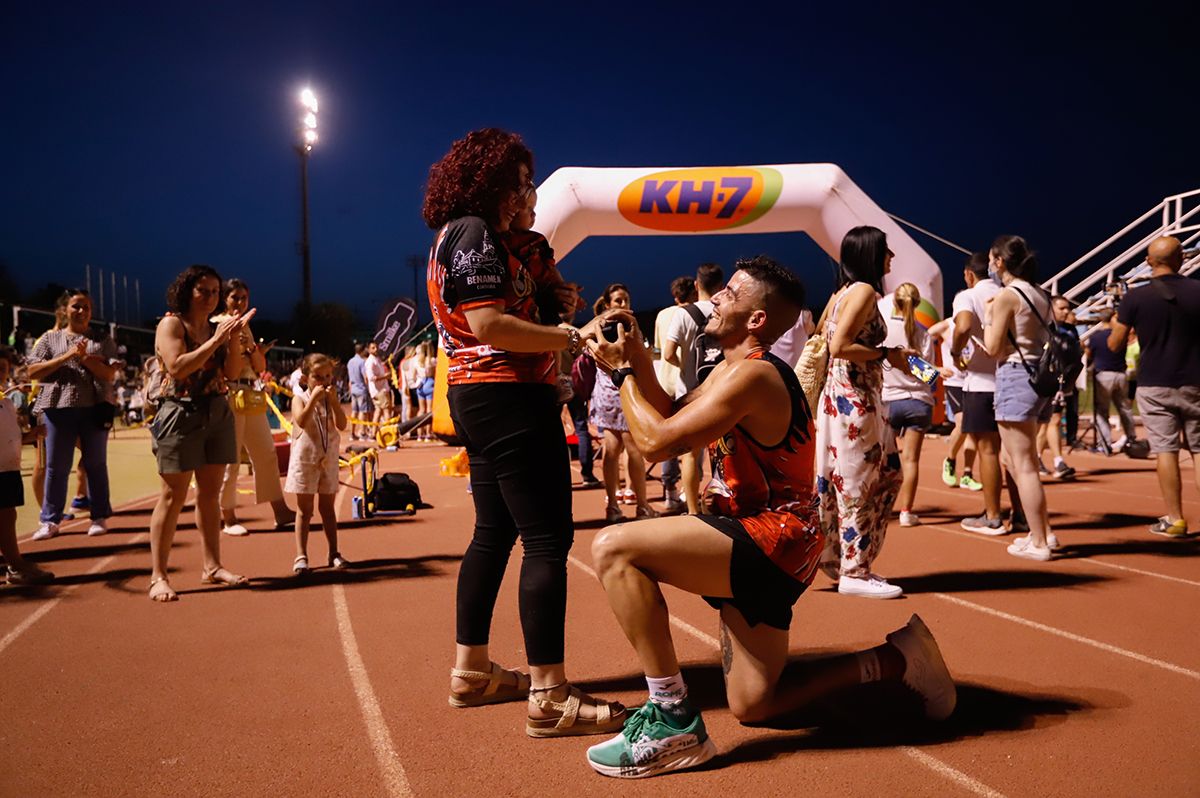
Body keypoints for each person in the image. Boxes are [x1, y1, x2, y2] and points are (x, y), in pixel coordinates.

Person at [584, 256, 955, 778]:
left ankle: (672, 718)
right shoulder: (731, 372)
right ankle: (897, 659)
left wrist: (621, 372)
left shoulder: (755, 376)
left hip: (771, 536)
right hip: (778, 538)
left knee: (614, 548)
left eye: (729, 294)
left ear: (756, 319)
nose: (714, 299)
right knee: (754, 704)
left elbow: (654, 444)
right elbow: (668, 413)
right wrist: (637, 362)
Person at [423, 127, 624, 735]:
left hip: (481, 395)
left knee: (494, 532)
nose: (526, 191)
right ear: (492, 181)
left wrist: (551, 303)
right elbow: (489, 323)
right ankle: (550, 694)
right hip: (505, 393)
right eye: (519, 180)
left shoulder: (469, 237)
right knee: (545, 539)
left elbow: (498, 312)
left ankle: (472, 670)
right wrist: (572, 335)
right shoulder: (474, 232)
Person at [147, 265, 255, 602]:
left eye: (214, 291)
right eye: (202, 290)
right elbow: (178, 366)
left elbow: (233, 372)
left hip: (216, 410)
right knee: (172, 495)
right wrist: (219, 338)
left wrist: (235, 338)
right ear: (186, 291)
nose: (209, 297)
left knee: (210, 494)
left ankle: (212, 566)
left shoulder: (217, 327)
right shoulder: (171, 324)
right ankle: (158, 576)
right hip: (178, 412)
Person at [816, 227, 909, 599]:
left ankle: (844, 560)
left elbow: (822, 333)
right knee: (861, 482)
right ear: (870, 254)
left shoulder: (841, 294)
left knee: (873, 476)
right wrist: (885, 354)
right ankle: (854, 570)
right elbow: (838, 345)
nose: (892, 257)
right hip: (854, 401)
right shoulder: (864, 292)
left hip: (842, 397)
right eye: (886, 250)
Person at [1107, 236, 1200, 537]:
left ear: (1149, 261)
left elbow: (1115, 343)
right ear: (1182, 258)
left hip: (1154, 383)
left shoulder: (1135, 297)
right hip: (1195, 380)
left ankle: (1175, 519)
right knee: (1199, 450)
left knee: (1166, 450)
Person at [982, 235, 1056, 561]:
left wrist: (988, 316)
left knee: (1023, 465)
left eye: (991, 260)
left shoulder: (1007, 296)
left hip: (1015, 375)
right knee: (1016, 462)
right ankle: (1043, 533)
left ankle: (1039, 542)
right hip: (1038, 377)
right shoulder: (1041, 294)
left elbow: (993, 347)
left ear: (999, 261)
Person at [26, 289, 118, 540]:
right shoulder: (50, 338)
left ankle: (99, 516)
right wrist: (67, 356)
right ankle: (50, 520)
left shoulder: (101, 339)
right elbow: (32, 371)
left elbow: (109, 374)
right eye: (76, 306)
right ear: (65, 310)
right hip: (57, 409)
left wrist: (85, 357)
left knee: (96, 464)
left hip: (95, 410)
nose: (81, 311)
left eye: (86, 307)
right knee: (56, 466)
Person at [215, 278, 292, 536]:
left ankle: (280, 510)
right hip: (229, 393)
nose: (239, 303)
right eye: (234, 297)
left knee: (266, 453)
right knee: (231, 459)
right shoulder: (217, 325)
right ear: (224, 300)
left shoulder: (246, 327)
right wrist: (242, 345)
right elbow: (231, 369)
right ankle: (228, 517)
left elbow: (260, 367)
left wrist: (250, 347)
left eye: (244, 298)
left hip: (250, 393)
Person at [589, 285, 658, 522]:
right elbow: (643, 358)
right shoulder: (627, 328)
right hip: (621, 391)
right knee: (626, 449)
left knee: (615, 450)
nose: (622, 304)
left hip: (609, 393)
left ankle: (616, 507)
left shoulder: (596, 326)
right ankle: (641, 506)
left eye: (625, 299)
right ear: (608, 304)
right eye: (618, 300)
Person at [951, 253, 1008, 534]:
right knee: (1013, 454)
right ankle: (1021, 515)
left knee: (988, 451)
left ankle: (993, 515)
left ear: (968, 274)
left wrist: (953, 351)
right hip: (1010, 380)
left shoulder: (967, 296)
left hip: (978, 383)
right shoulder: (1008, 293)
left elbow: (961, 326)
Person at [663, 263, 725, 514]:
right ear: (721, 286)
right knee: (725, 452)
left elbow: (667, 354)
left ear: (697, 285)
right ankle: (723, 505)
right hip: (722, 391)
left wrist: (685, 365)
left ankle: (693, 510)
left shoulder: (683, 314)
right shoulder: (726, 312)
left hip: (689, 393)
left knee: (690, 455)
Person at [286, 353, 350, 573]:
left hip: (328, 459)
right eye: (318, 377)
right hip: (305, 460)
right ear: (305, 378)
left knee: (328, 508)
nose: (324, 382)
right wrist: (313, 398)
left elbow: (342, 424)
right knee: (304, 510)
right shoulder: (299, 398)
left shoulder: (331, 399)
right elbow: (301, 421)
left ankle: (334, 552)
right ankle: (301, 555)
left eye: (328, 376)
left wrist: (333, 402)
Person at [880, 283, 937, 527]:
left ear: (895, 303)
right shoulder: (924, 334)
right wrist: (915, 364)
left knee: (883, 461)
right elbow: (927, 376)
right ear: (917, 304)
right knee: (911, 460)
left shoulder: (883, 332)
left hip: (889, 400)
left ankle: (882, 509)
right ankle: (906, 512)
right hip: (918, 402)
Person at [1, 348, 55, 584]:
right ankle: (15, 564)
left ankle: (14, 565)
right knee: (5, 515)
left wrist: (31, 435)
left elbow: (10, 437)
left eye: (3, 368)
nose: (1, 372)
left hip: (7, 469)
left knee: (8, 515)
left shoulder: (6, 403)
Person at [653, 276, 695, 514]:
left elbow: (659, 350)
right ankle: (688, 492)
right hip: (685, 384)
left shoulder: (661, 315)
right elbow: (670, 353)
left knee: (668, 439)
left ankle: (670, 492)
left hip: (664, 382)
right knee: (692, 442)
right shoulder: (693, 314)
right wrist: (684, 365)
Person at [928, 312, 980, 491]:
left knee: (973, 429)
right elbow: (924, 338)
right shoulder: (946, 326)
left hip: (974, 380)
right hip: (954, 381)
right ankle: (950, 459)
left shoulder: (977, 326)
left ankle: (967, 474)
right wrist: (935, 368)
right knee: (963, 422)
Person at [1035, 295, 1079, 477]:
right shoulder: (1042, 329)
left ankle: (1058, 461)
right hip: (1044, 381)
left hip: (1060, 383)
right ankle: (1036, 457)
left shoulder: (1070, 331)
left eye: (1068, 308)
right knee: (1042, 424)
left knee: (1053, 422)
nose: (1066, 311)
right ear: (1051, 309)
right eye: (1061, 308)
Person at [1085, 309, 1138, 456]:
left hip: (1104, 375)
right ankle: (1131, 438)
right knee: (1124, 408)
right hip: (1121, 375)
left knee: (1102, 411)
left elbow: (1088, 356)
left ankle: (1105, 443)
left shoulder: (1096, 337)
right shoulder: (1119, 335)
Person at [363, 341, 392, 434]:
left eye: (376, 347)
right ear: (368, 350)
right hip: (379, 390)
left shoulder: (376, 359)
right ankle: (388, 433)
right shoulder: (370, 362)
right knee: (387, 411)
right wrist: (385, 377)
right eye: (373, 348)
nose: (376, 349)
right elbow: (371, 378)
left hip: (379, 390)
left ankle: (373, 433)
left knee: (378, 411)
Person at [347, 343, 371, 441]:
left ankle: (352, 433)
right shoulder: (361, 362)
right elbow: (365, 377)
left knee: (354, 411)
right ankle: (362, 432)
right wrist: (368, 387)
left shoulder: (350, 361)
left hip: (353, 388)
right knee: (362, 412)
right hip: (361, 389)